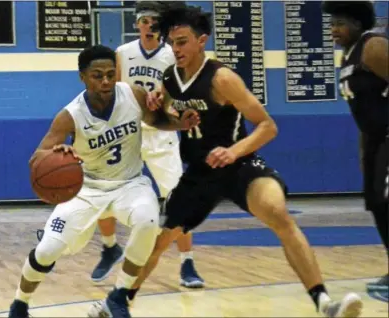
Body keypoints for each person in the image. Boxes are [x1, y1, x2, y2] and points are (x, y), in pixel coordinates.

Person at [89, 5, 364, 318]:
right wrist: (157, 107)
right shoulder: (170, 78)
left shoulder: (221, 78)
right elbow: (167, 118)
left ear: (201, 40)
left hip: (238, 166)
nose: (175, 49)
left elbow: (267, 126)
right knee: (156, 240)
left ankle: (325, 304)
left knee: (277, 212)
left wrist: (234, 151)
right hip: (199, 174)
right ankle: (117, 303)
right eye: (172, 43)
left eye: (182, 41)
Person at [8, 44, 199, 318]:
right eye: (98, 75)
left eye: (111, 74)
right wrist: (57, 152)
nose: (106, 81)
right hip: (87, 189)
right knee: (47, 250)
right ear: (82, 77)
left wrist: (180, 123)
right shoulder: (70, 115)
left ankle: (118, 297)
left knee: (148, 221)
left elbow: (157, 119)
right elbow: (36, 157)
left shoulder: (132, 93)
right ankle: (20, 304)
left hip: (130, 184)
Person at [90, 1, 204, 289]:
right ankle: (109, 247)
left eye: (155, 22)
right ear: (137, 24)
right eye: (145, 21)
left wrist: (164, 99)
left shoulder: (173, 54)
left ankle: (187, 262)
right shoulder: (123, 53)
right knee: (103, 190)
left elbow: (182, 93)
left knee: (180, 200)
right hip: (129, 134)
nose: (149, 26)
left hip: (162, 133)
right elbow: (113, 90)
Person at [322, 1, 388, 293]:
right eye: (331, 24)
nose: (334, 30)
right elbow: (363, 111)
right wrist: (366, 152)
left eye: (340, 23)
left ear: (359, 24)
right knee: (376, 203)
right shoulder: (348, 56)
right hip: (374, 139)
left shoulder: (373, 46)